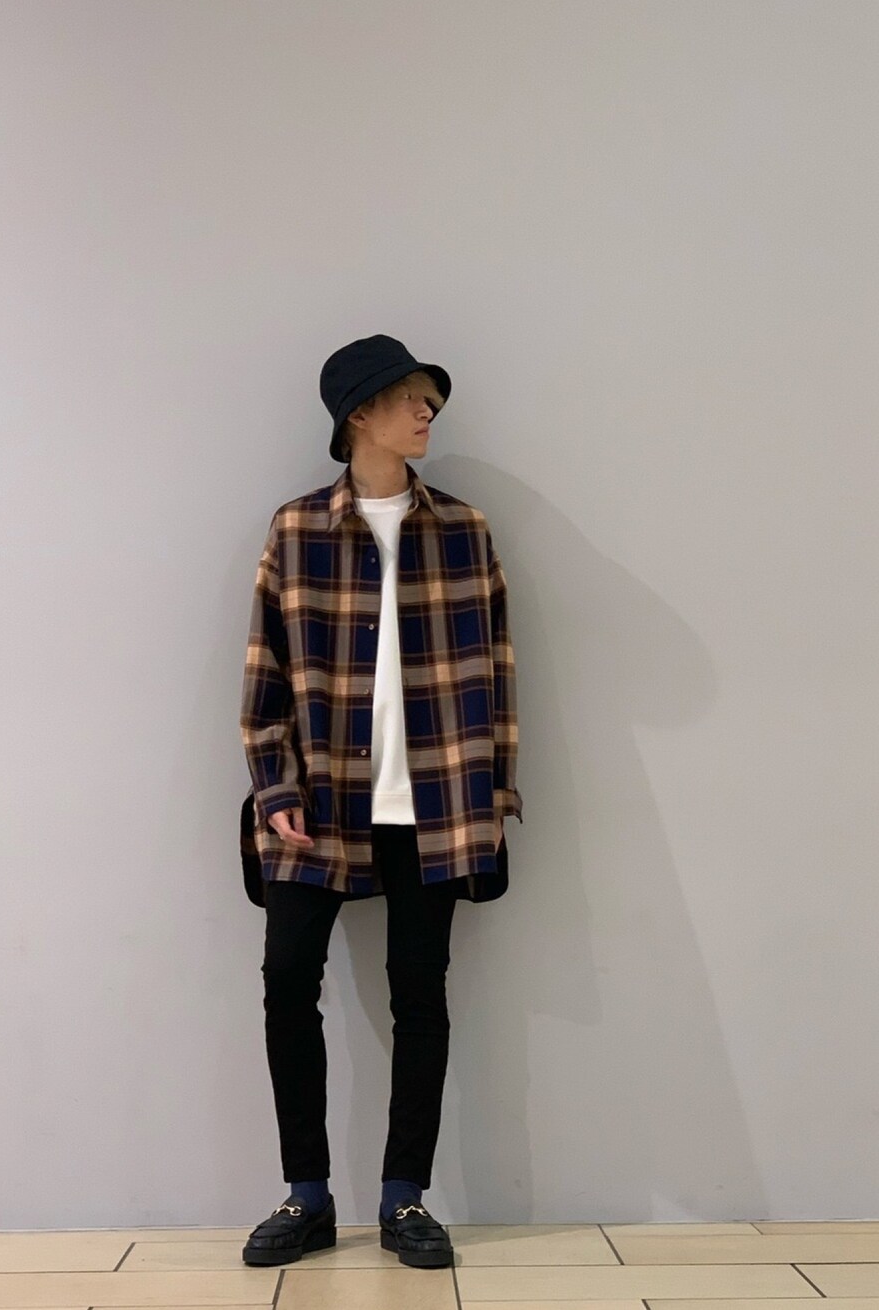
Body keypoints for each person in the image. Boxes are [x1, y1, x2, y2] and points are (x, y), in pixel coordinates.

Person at [238, 333, 523, 1269]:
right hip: (316, 802)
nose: (427, 411)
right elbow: (265, 673)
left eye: (429, 399)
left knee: (420, 995)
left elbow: (498, 669)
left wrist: (493, 792)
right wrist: (275, 785)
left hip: (434, 804)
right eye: (408, 397)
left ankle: (405, 1200)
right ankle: (307, 1195)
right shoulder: (297, 530)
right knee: (287, 982)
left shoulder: (465, 530)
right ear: (359, 414)